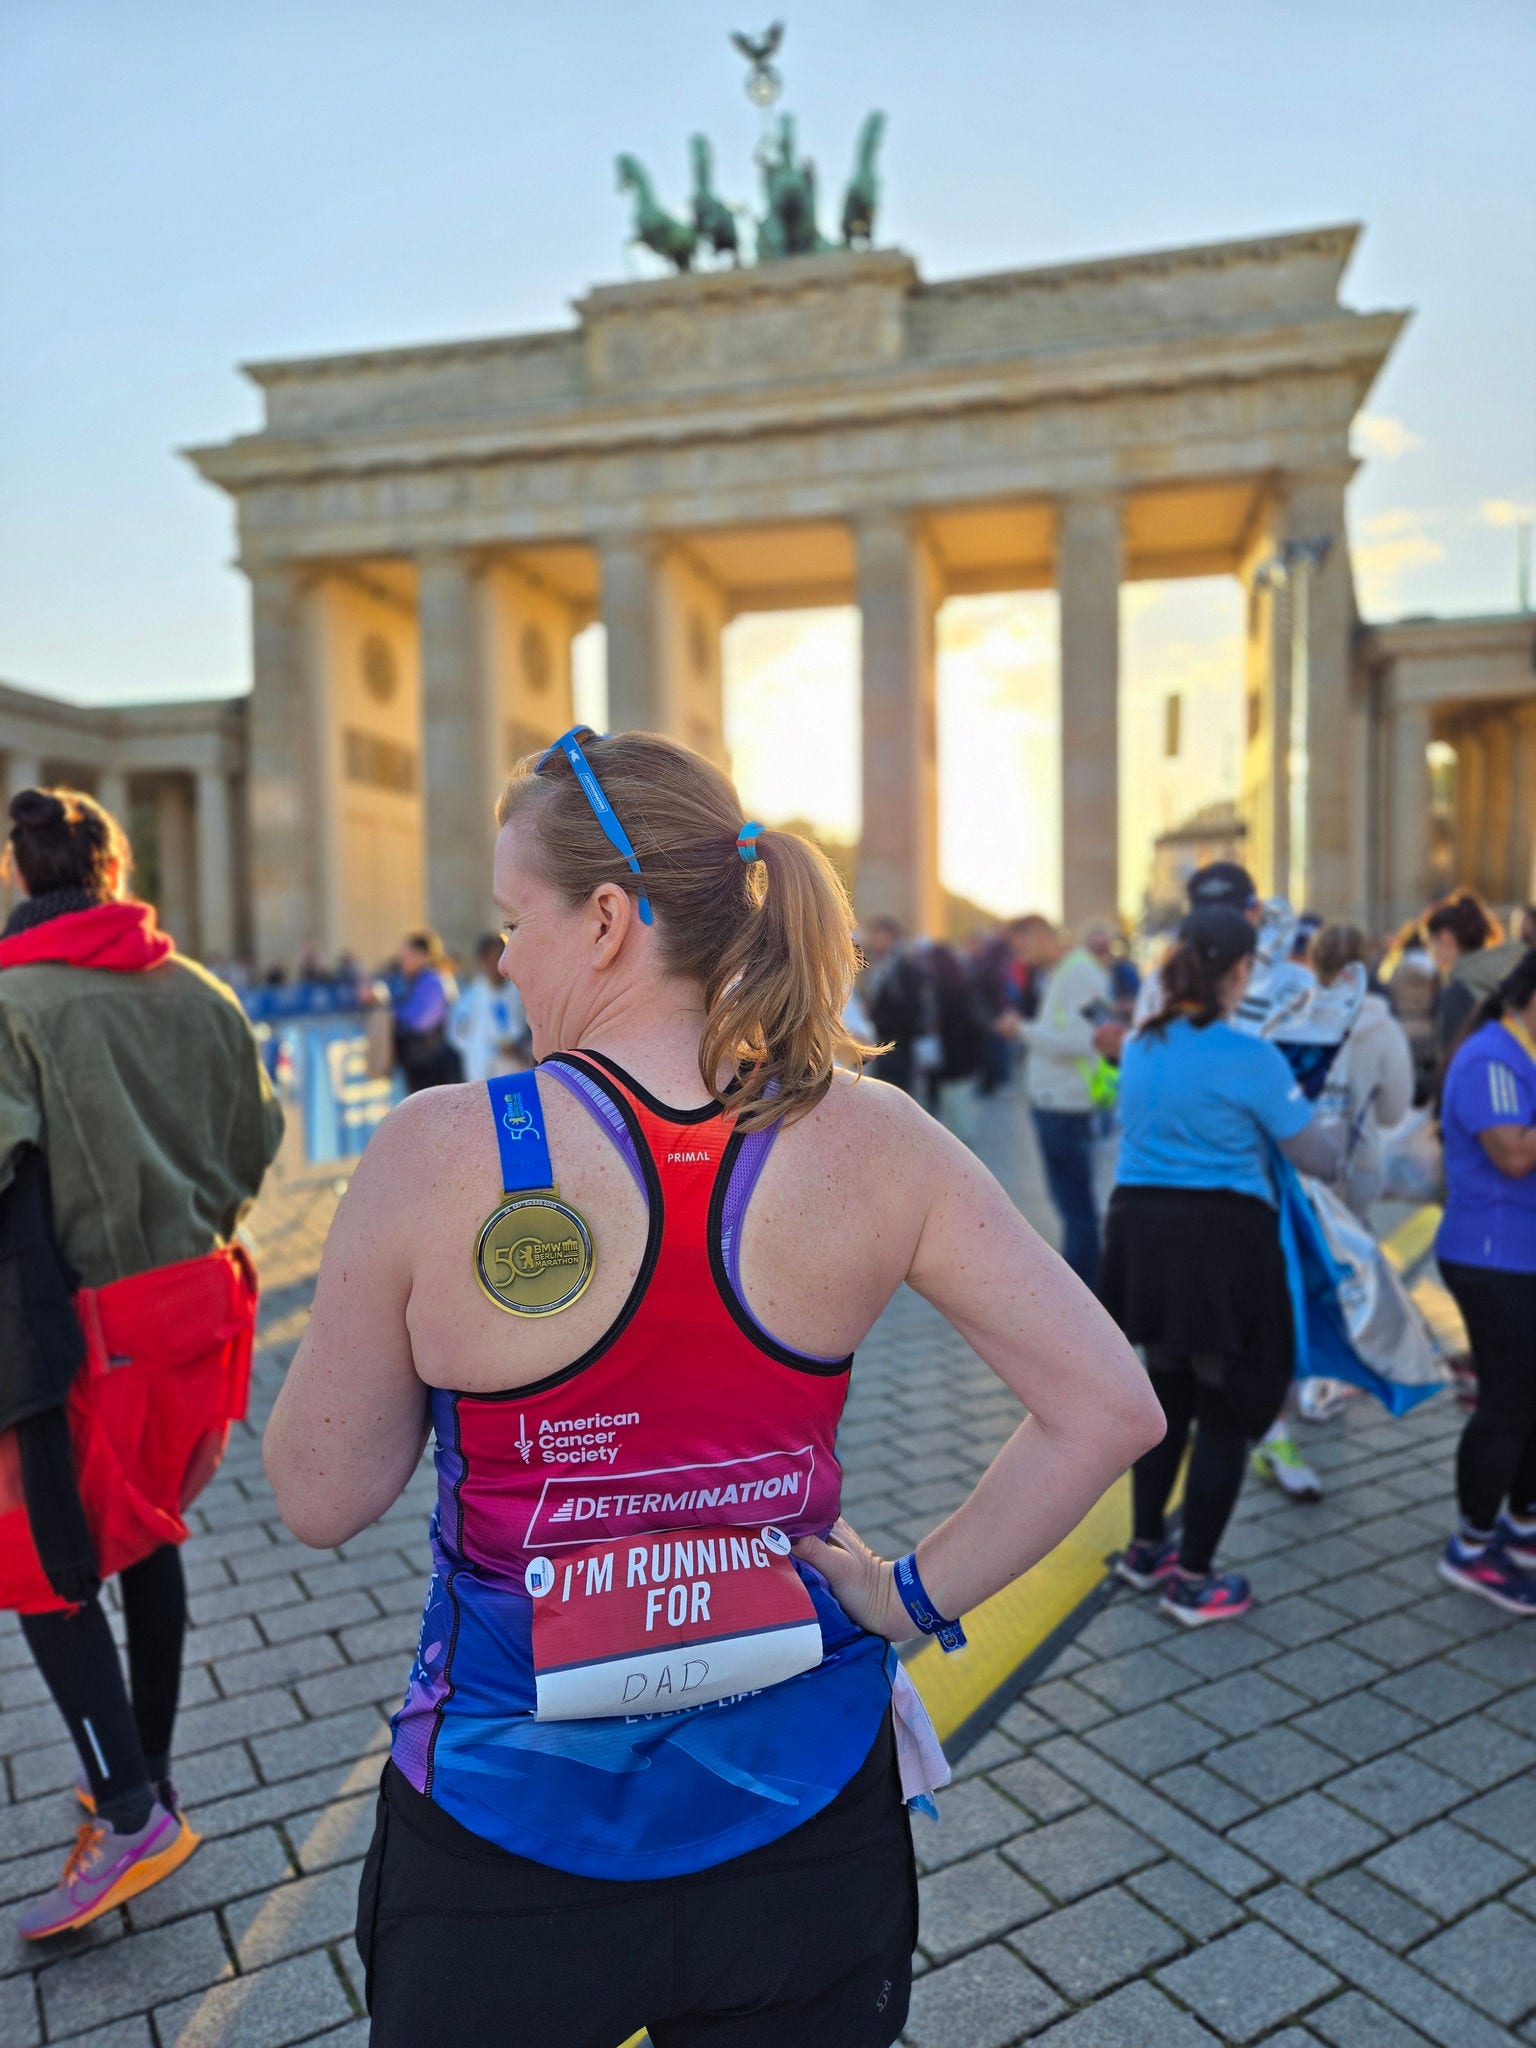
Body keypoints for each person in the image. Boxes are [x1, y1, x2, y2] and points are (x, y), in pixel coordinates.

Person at [262, 728, 1165, 2048]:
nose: (503, 960)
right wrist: (910, 1594)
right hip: (802, 1818)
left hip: (504, 1833)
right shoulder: (868, 1134)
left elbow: (317, 1496)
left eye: (516, 921)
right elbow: (1111, 1405)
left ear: (611, 921)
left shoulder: (441, 1150)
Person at [0, 788, 283, 1936]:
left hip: (81, 1333)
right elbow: (259, 1138)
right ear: (115, 872)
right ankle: (147, 1765)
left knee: (40, 1560)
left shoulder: (12, 1000)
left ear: (27, 879)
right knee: (152, 1523)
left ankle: (131, 1811)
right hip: (204, 1305)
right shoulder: (200, 988)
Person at [1102, 907, 1342, 1624]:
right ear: (1240, 973)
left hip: (1143, 1237)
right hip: (1222, 1244)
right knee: (1230, 1411)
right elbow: (1317, 1156)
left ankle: (1147, 1551)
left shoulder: (1142, 1045)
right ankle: (1195, 1580)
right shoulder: (1253, 1058)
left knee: (1167, 1395)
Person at [1433, 948, 1536, 1612]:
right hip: (1491, 1257)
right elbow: (1514, 1154)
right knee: (1507, 1402)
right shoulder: (1492, 1057)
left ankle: (1522, 1524)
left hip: (1521, 1256)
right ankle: (1470, 1547)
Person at [1015, 915, 1114, 1287]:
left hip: (1066, 1106)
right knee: (1070, 1206)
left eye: (1023, 946)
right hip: (1054, 1101)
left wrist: (1022, 1030)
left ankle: (1083, 1293)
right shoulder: (1064, 971)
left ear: (1040, 936)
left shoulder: (1080, 974)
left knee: (1077, 1210)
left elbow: (1084, 1039)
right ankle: (1085, 1288)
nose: (1021, 956)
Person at [1309, 922, 1415, 1219]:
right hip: (1360, 1162)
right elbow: (1393, 1113)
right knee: (1353, 1254)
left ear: (1314, 962)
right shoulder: (1385, 1028)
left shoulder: (1290, 1020)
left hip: (1300, 1164)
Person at [1132, 860, 1261, 1029]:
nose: (1219, 928)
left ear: (1256, 911)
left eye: (1230, 917)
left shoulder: (1287, 978)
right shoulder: (1162, 981)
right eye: (1206, 917)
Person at [1425, 894, 1522, 1060]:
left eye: (1430, 943)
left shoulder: (1456, 992)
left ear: (1445, 937)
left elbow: (1451, 1062)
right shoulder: (1516, 969)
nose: (1431, 955)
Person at [858, 913, 929, 1095]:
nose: (874, 940)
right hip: (885, 1040)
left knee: (896, 1093)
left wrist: (880, 1020)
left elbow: (909, 1007)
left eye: (877, 934)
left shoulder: (905, 965)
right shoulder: (883, 963)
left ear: (890, 935)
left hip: (897, 1043)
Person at [447, 931, 530, 1084]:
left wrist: (516, 1045)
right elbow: (457, 1033)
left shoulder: (521, 992)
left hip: (514, 1070)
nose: (496, 964)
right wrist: (477, 1049)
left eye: (499, 956)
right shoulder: (472, 996)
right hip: (479, 1072)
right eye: (490, 959)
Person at [393, 929, 463, 1092]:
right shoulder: (418, 980)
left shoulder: (432, 982)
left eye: (407, 955)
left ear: (422, 955)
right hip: (424, 1065)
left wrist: (391, 1011)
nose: (403, 961)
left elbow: (420, 1022)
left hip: (433, 1066)